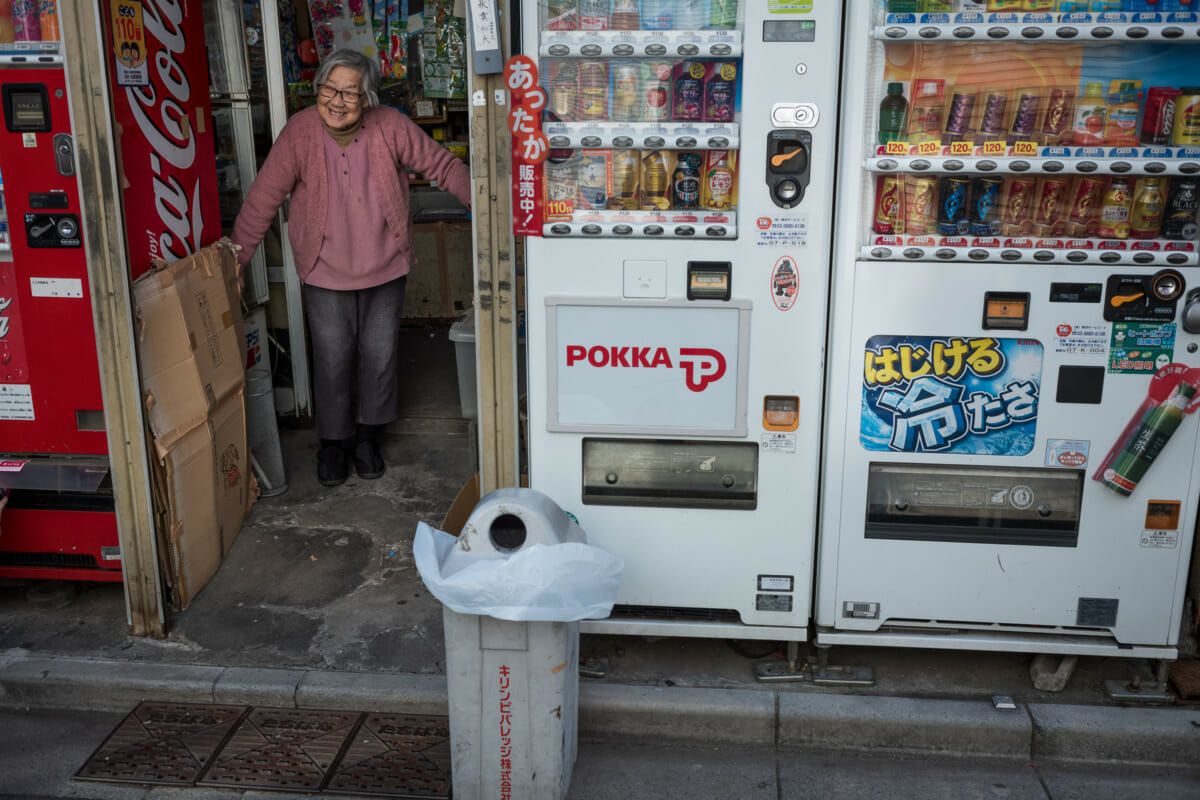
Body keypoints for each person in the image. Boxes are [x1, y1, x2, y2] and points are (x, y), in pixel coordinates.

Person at [232, 49, 472, 486]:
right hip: (325, 270)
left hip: (385, 265)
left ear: (368, 99)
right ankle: (332, 442)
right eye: (330, 89)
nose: (338, 101)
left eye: (351, 93)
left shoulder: (390, 126)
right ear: (318, 89)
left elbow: (441, 164)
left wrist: (492, 206)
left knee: (379, 356)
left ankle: (367, 438)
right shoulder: (300, 133)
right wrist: (236, 258)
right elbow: (263, 198)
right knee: (332, 358)